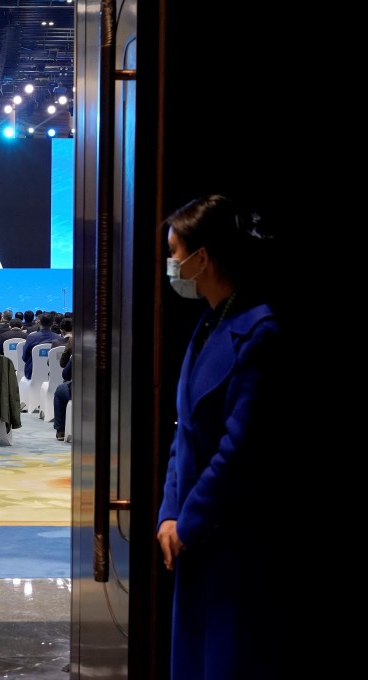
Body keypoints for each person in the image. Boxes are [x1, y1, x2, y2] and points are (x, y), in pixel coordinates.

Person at [155, 194, 290, 680]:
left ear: (202, 258)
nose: (171, 265)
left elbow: (239, 448)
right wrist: (169, 511)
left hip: (232, 541)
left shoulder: (259, 331)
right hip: (192, 537)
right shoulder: (210, 322)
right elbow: (184, 433)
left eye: (174, 253)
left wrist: (187, 522)